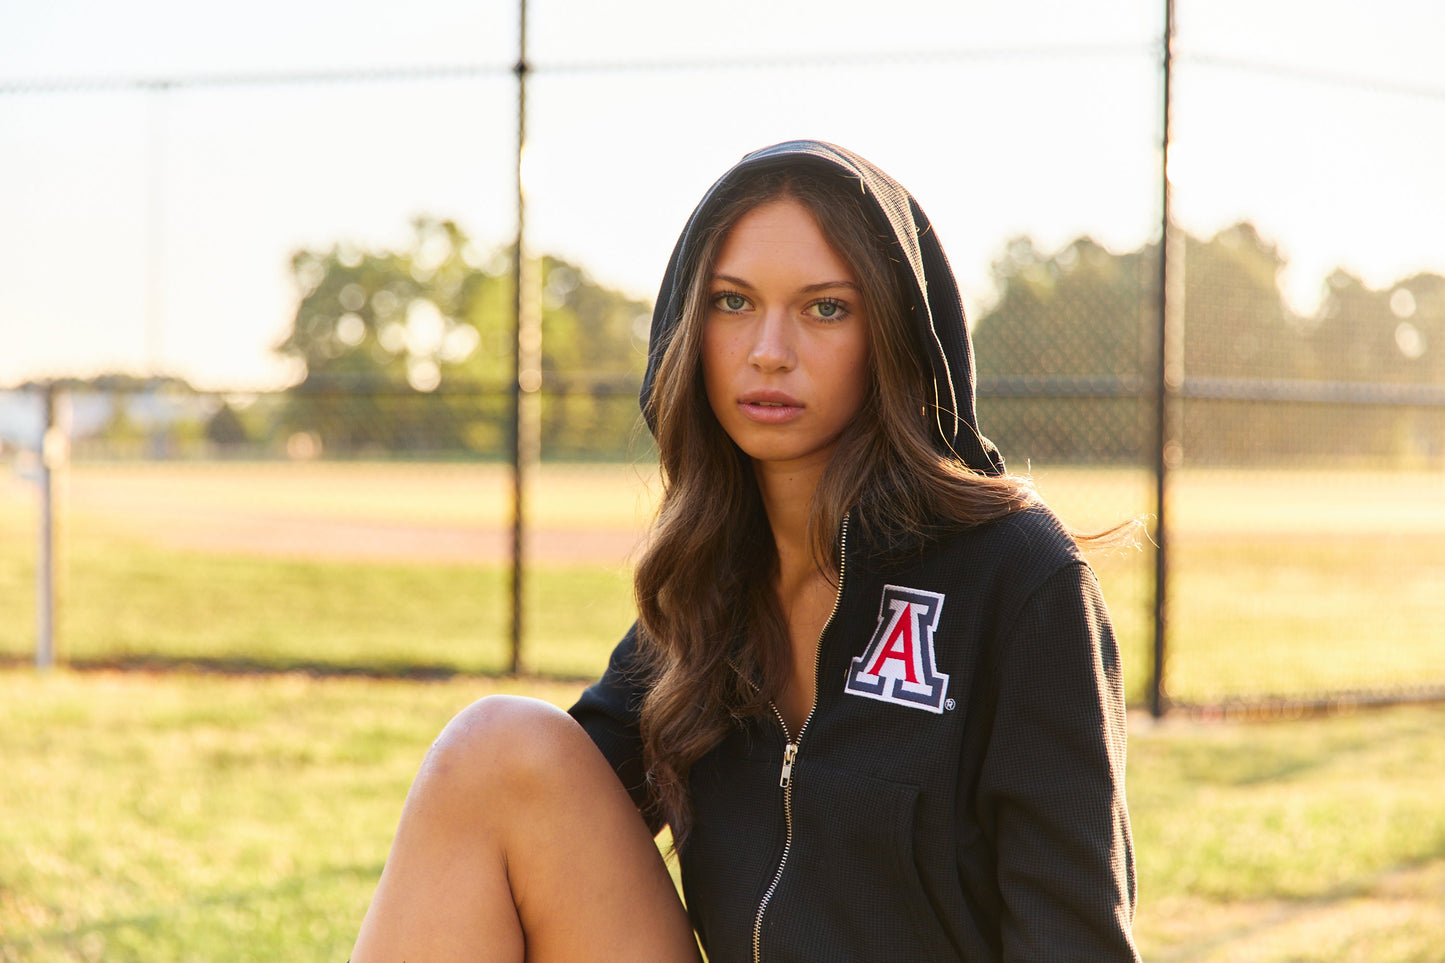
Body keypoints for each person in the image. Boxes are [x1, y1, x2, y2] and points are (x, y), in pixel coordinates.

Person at [350, 140, 1139, 962]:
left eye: (824, 308)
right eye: (733, 302)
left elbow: (1073, 935)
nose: (769, 349)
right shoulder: (709, 576)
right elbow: (548, 814)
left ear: (892, 334)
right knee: (495, 748)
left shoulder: (1015, 576)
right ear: (689, 326)